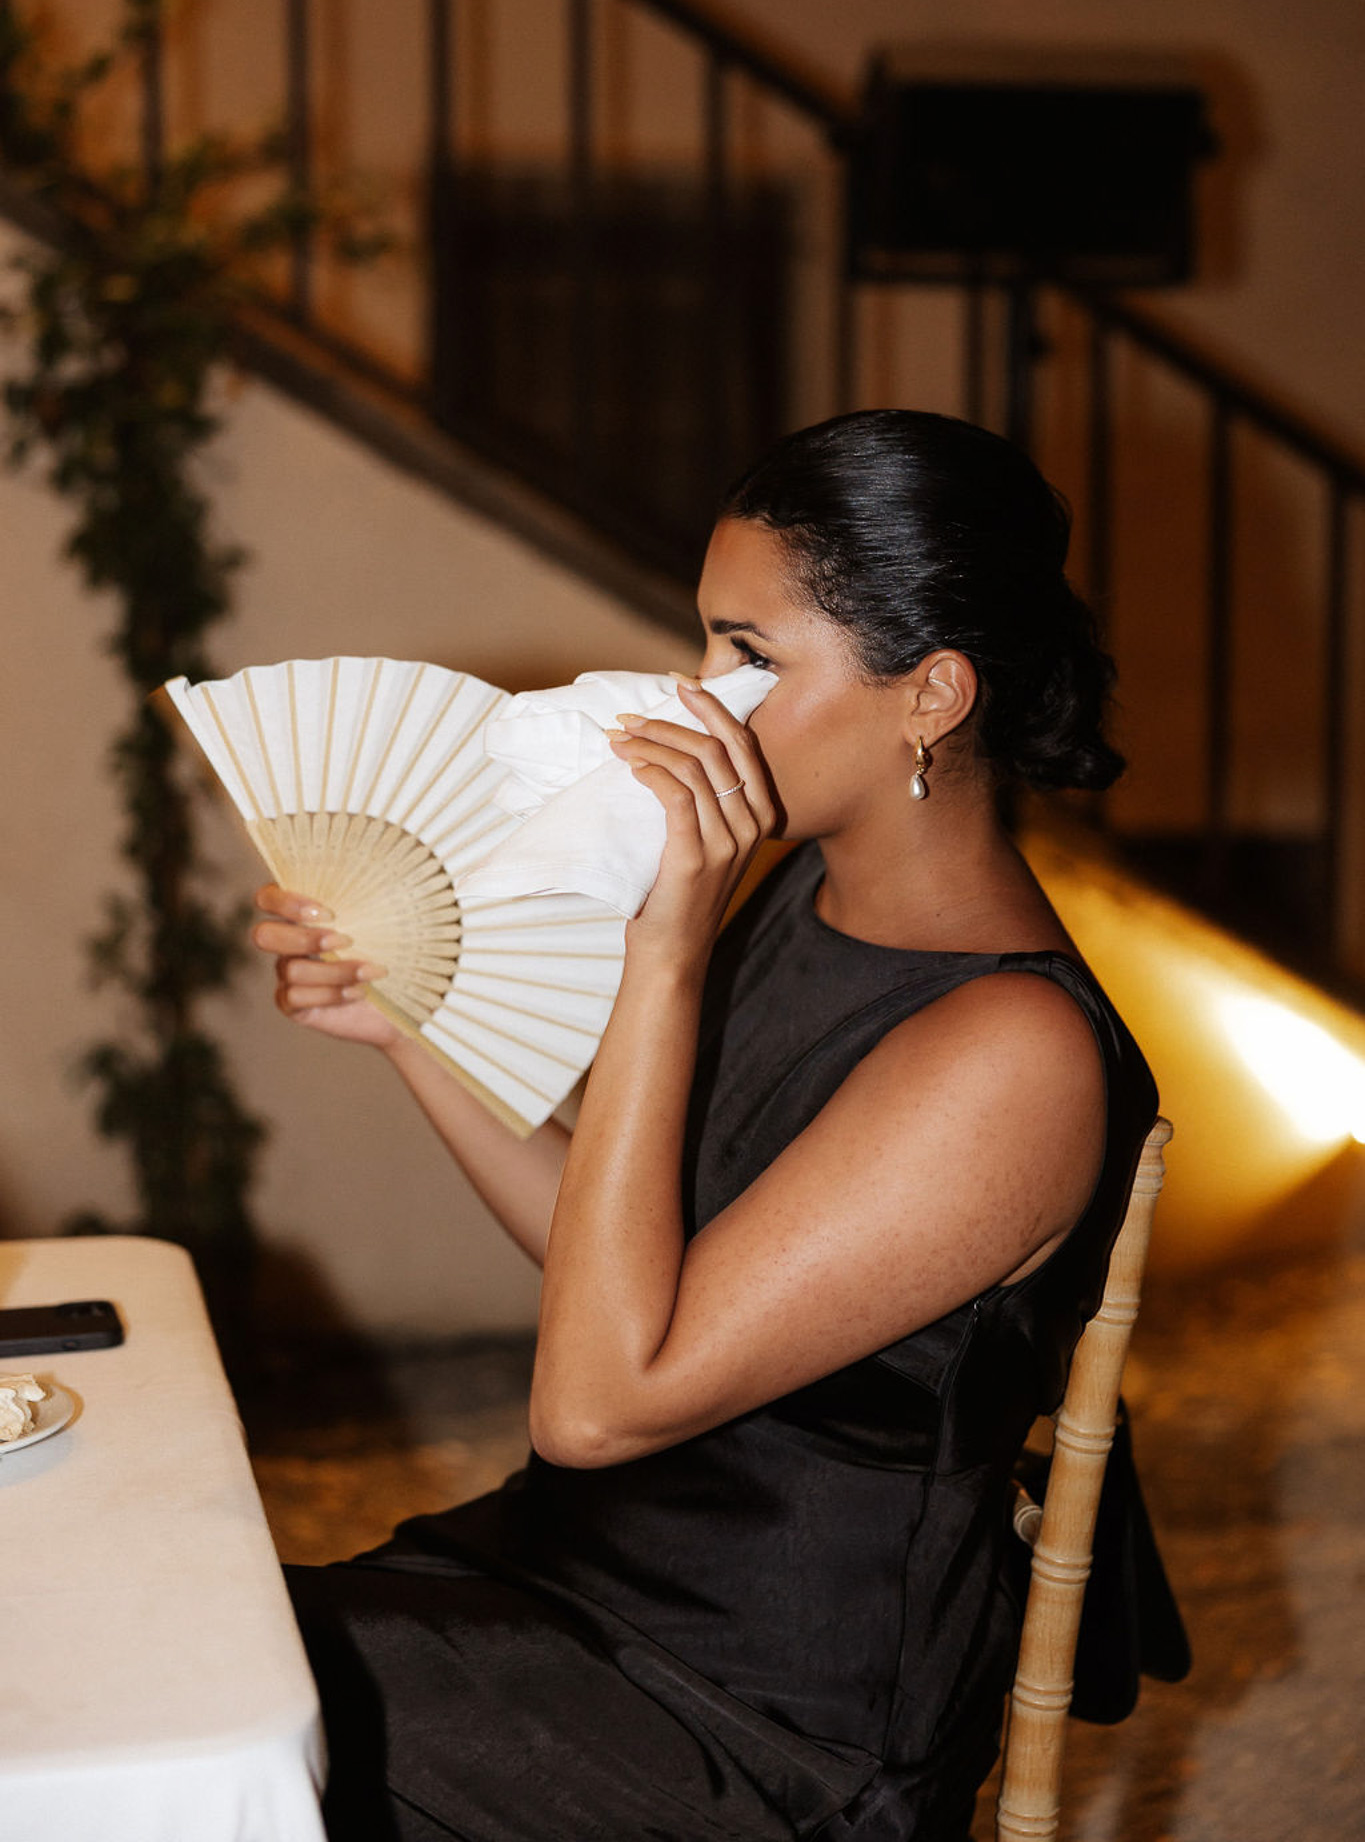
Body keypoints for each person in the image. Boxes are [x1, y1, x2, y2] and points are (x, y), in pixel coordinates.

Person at [255, 410, 1160, 1841]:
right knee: (185, 1663)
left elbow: (597, 1403)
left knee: (221, 1740)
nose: (692, 700)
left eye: (749, 656)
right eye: (702, 644)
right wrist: (407, 1024)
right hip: (577, 1582)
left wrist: (662, 957)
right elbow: (610, 1266)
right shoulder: (803, 892)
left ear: (927, 696)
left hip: (750, 1719)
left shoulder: (1011, 1053)